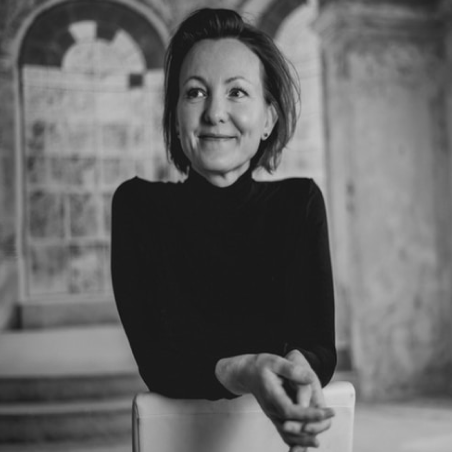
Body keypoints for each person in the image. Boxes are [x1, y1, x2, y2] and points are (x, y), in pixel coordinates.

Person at [111, 8, 336, 451]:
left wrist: (299, 366)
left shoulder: (300, 204)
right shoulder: (138, 207)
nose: (215, 112)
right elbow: (158, 362)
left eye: (237, 92)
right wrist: (245, 371)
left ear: (268, 119)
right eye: (195, 92)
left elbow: (319, 348)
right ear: (176, 118)